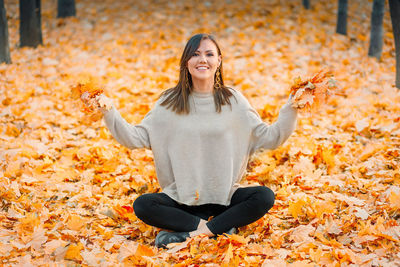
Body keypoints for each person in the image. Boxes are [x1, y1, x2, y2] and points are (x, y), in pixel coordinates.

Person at [86, 33, 298, 248]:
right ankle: (218, 229)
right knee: (143, 205)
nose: (202, 60)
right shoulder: (169, 102)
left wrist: (291, 107)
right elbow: (134, 138)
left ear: (219, 61)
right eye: (195, 54)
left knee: (264, 196)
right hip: (181, 201)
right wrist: (108, 110)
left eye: (209, 54)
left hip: (224, 199)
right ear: (186, 61)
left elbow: (271, 138)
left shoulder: (233, 100)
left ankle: (193, 233)